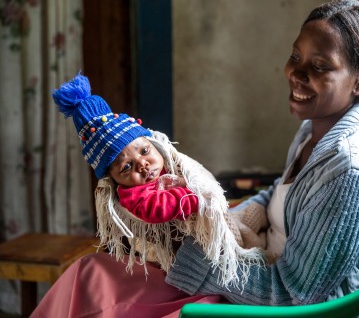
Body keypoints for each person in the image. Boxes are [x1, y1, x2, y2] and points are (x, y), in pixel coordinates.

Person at [31, 0, 359, 317]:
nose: (295, 72)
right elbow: (282, 194)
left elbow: (298, 296)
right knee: (91, 274)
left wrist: (189, 256)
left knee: (115, 297)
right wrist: (228, 219)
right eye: (296, 56)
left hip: (304, 305)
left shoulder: (353, 169)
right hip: (258, 272)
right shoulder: (317, 127)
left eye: (320, 66)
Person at [52, 74, 268, 287]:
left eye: (144, 151)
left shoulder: (171, 162)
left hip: (214, 218)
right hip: (194, 245)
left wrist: (196, 185)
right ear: (114, 180)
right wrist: (193, 193)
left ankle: (259, 215)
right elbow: (159, 209)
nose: (142, 164)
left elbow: (200, 177)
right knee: (244, 241)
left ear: (153, 143)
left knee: (252, 212)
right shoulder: (132, 196)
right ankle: (264, 256)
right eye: (127, 167)